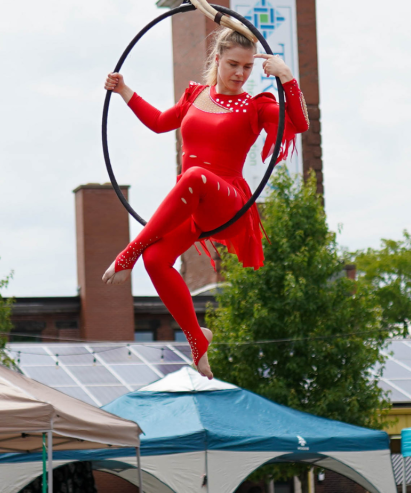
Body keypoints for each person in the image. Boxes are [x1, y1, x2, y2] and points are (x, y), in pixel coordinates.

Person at [103, 27, 309, 379]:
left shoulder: (258, 106)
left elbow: (299, 124)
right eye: (233, 64)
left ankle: (128, 254)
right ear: (217, 60)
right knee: (157, 260)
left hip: (228, 202)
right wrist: (123, 90)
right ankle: (198, 340)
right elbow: (157, 123)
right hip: (193, 204)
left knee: (194, 176)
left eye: (247, 67)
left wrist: (287, 77)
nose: (240, 74)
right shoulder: (195, 96)